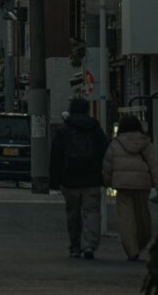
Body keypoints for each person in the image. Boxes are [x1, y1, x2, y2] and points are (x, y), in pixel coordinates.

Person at [102, 114, 158, 261]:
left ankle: (132, 250)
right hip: (142, 185)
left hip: (122, 186)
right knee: (142, 216)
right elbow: (156, 167)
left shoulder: (115, 145)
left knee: (125, 219)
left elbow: (107, 167)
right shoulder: (146, 144)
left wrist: (106, 182)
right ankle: (143, 240)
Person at [49, 97, 109, 260]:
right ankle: (89, 245)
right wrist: (104, 176)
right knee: (92, 212)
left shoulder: (63, 130)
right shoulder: (95, 129)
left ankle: (75, 246)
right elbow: (105, 152)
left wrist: (54, 181)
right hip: (92, 179)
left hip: (69, 179)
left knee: (73, 214)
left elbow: (56, 157)